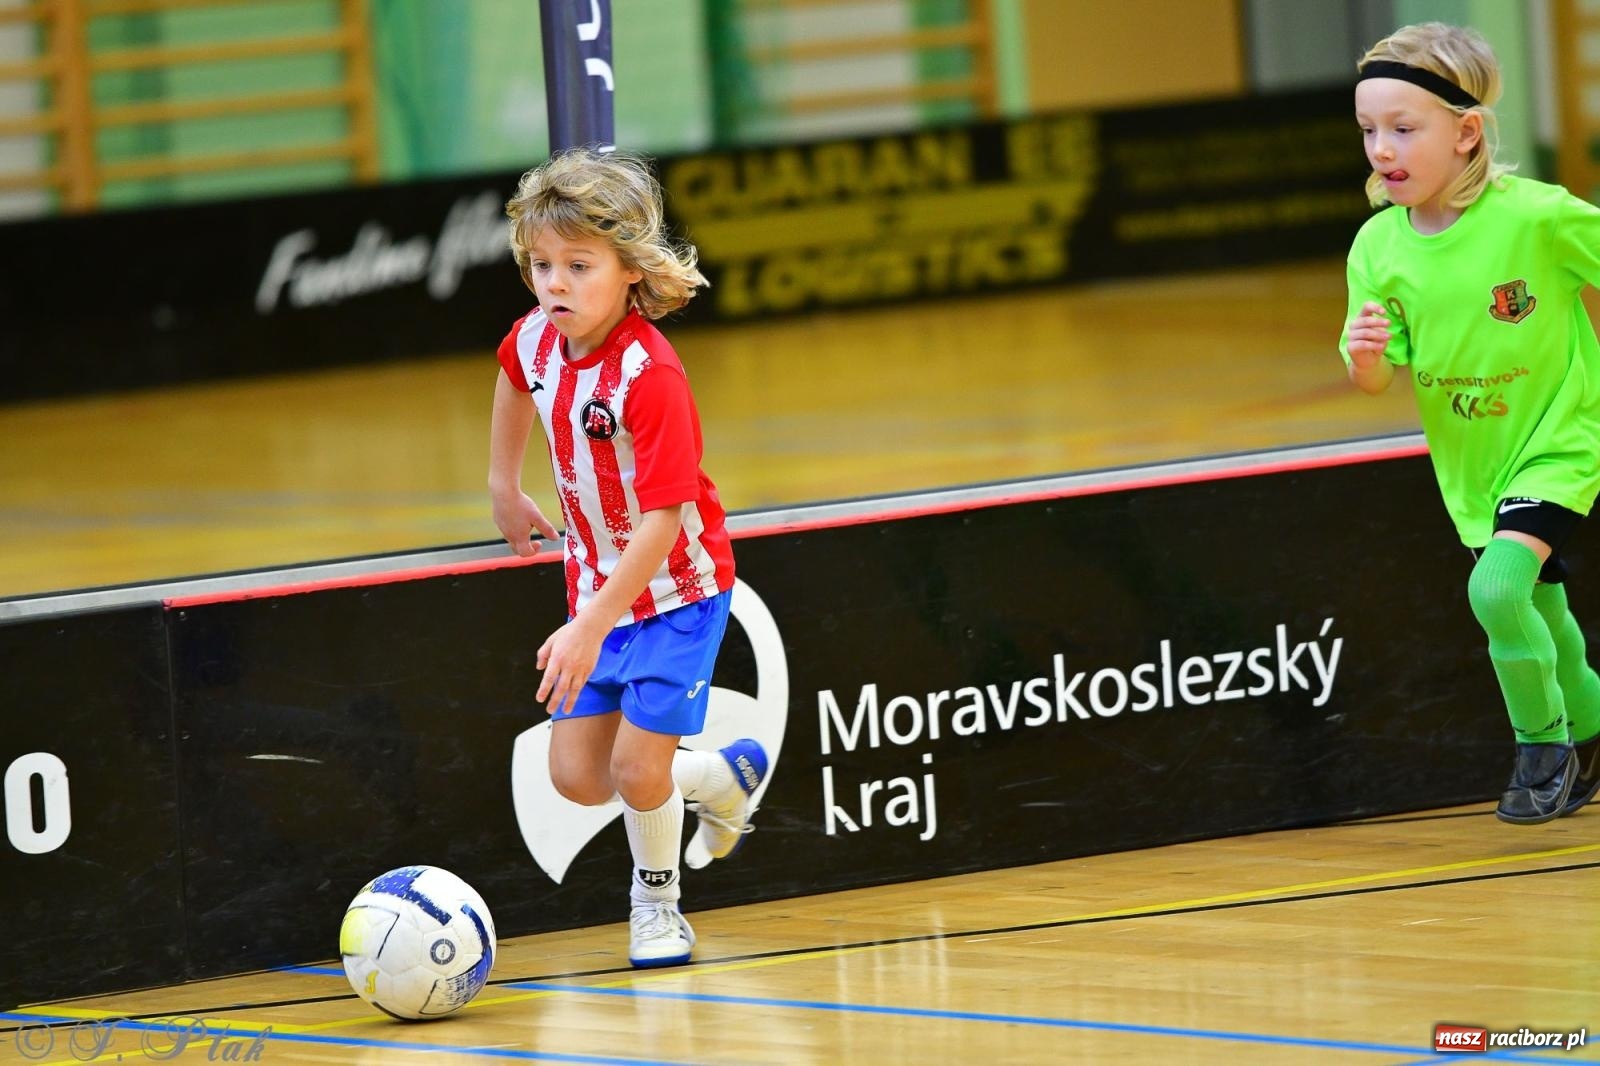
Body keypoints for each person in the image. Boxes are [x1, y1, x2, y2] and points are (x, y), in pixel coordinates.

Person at [489, 147, 768, 965]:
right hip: (597, 592)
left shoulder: (652, 375)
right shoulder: (537, 341)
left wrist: (588, 627)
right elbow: (510, 377)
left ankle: (658, 908)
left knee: (638, 767)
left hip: (676, 591)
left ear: (631, 272)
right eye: (542, 265)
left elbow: (662, 518)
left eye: (579, 265)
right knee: (578, 776)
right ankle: (717, 777)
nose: (555, 284)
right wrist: (503, 484)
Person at [1341, 22, 1600, 824]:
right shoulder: (1377, 247)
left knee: (1497, 588)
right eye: (1369, 130)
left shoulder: (1537, 217)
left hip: (1560, 442)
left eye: (1403, 128)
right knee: (1544, 613)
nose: (1383, 148)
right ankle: (1589, 739)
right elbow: (1377, 377)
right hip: (1472, 467)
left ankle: (1542, 745)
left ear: (1465, 132)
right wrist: (1363, 352)